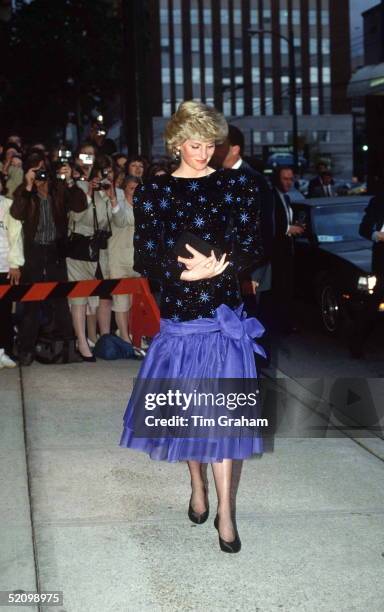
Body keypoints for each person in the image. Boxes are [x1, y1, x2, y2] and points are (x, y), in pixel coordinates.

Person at [119, 100, 266, 553]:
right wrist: (184, 274)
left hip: (224, 319)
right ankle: (198, 487)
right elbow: (145, 253)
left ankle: (225, 513)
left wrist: (220, 269)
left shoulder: (234, 187)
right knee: (189, 417)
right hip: (182, 319)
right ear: (178, 143)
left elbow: (252, 243)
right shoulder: (156, 192)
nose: (205, 154)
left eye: (210, 145)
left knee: (223, 421)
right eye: (196, 145)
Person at [11, 151, 88, 366]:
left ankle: (64, 348)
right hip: (33, 253)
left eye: (43, 170)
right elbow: (17, 213)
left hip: (55, 251)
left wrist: (71, 180)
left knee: (60, 302)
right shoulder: (25, 192)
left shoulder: (59, 190)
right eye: (37, 171)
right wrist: (28, 186)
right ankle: (26, 351)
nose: (41, 176)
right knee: (31, 305)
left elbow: (80, 205)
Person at [66, 155, 129, 361]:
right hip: (80, 250)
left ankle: (100, 339)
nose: (105, 176)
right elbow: (76, 218)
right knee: (79, 297)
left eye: (109, 173)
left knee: (101, 298)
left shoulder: (116, 193)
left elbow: (119, 222)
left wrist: (111, 198)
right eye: (102, 173)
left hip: (101, 253)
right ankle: (82, 342)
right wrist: (90, 195)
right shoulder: (82, 189)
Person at [221, 124, 274, 313]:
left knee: (248, 327)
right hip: (223, 270)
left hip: (248, 273)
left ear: (235, 149)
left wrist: (255, 274)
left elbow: (266, 229)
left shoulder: (255, 180)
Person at [269, 166, 305, 334]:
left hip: (287, 252)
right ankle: (279, 326)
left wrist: (295, 226)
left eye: (291, 179)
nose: (289, 182)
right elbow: (269, 224)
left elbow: (285, 221)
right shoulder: (271, 197)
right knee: (278, 290)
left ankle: (284, 324)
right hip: (276, 253)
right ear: (277, 178)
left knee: (286, 290)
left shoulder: (286, 198)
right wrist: (288, 229)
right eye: (285, 178)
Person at [354, 194, 384, 358]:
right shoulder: (378, 201)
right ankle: (357, 342)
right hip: (383, 262)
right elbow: (364, 229)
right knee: (374, 304)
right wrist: (377, 235)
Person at [111, 176, 141, 341]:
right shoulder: (118, 205)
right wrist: (115, 201)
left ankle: (134, 335)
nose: (135, 192)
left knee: (135, 303)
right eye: (131, 189)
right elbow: (120, 220)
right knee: (121, 303)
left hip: (136, 262)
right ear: (124, 190)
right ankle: (124, 337)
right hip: (118, 261)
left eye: (138, 188)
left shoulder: (145, 207)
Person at [0, 180, 24, 367]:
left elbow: (15, 237)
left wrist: (15, 264)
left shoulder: (8, 205)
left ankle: (4, 350)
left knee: (4, 311)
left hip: (4, 267)